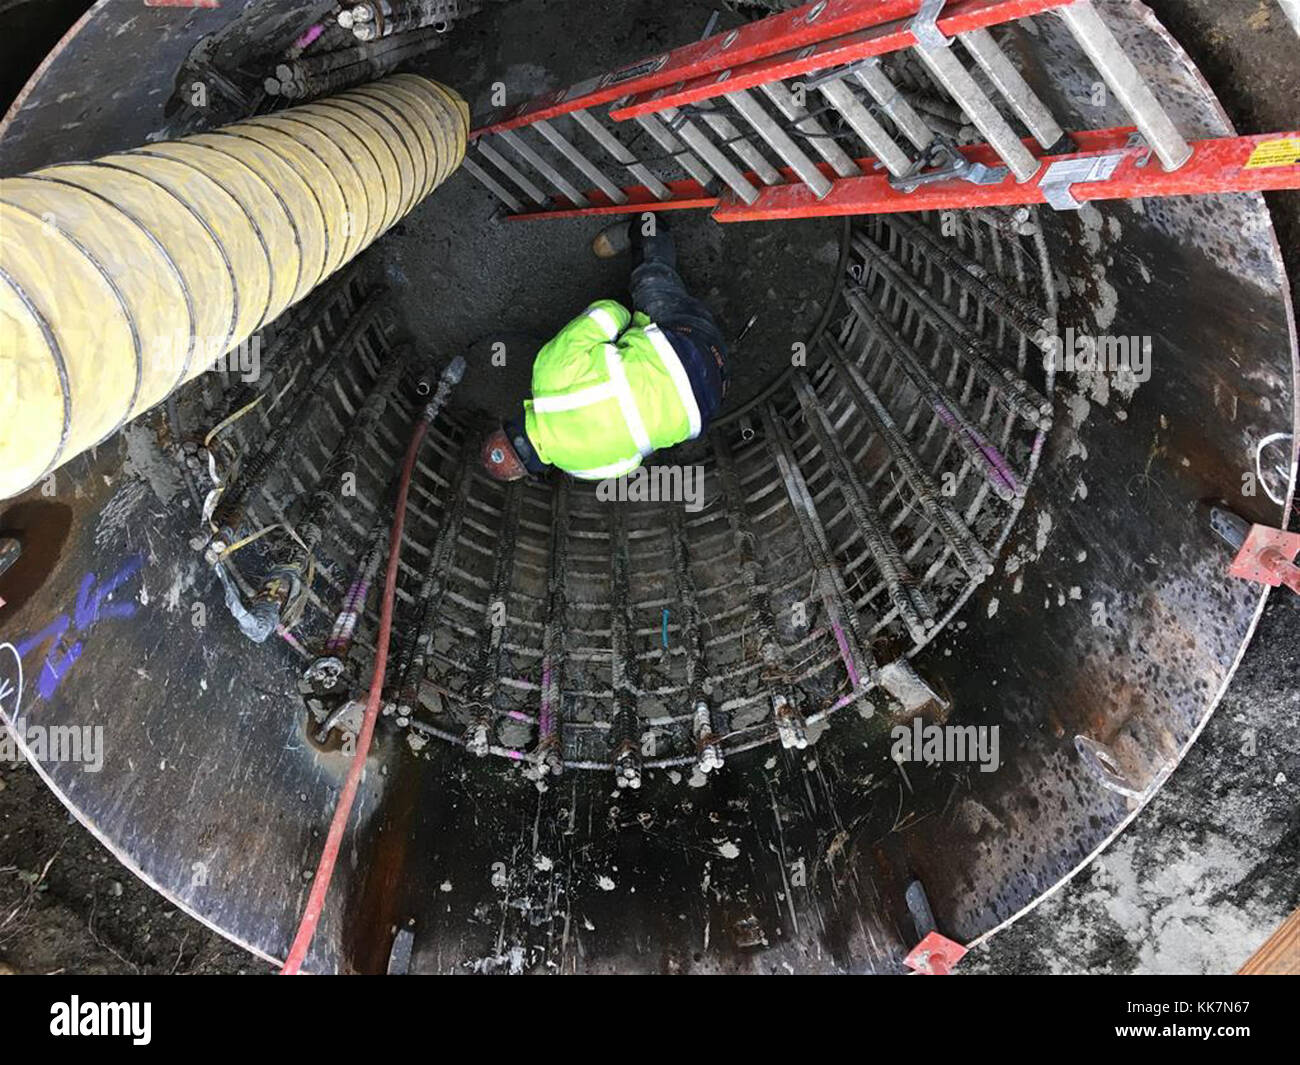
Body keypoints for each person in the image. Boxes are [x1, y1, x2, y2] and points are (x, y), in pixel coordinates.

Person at [481, 213, 728, 482]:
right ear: (512, 422)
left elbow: (634, 459)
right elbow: (609, 313)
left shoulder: (584, 470)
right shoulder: (547, 372)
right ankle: (648, 227)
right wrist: (631, 327)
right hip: (690, 341)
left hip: (712, 399)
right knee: (651, 281)